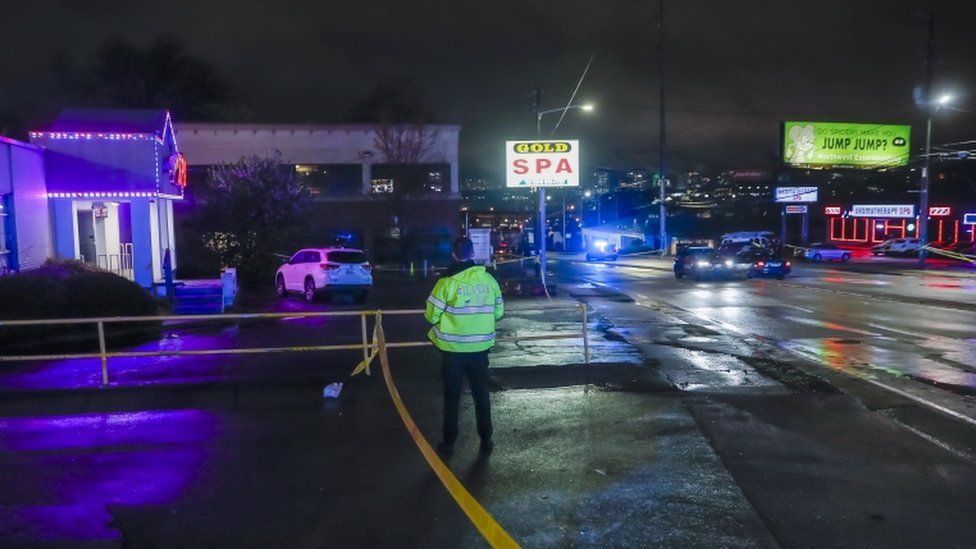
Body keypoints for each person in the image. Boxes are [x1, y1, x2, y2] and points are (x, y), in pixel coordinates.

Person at [425, 237, 504, 455]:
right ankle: (486, 439)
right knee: (481, 394)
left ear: (453, 254)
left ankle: (449, 443)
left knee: (452, 397)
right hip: (480, 350)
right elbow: (499, 312)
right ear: (473, 253)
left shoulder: (447, 282)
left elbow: (431, 315)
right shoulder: (489, 280)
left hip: (453, 351)